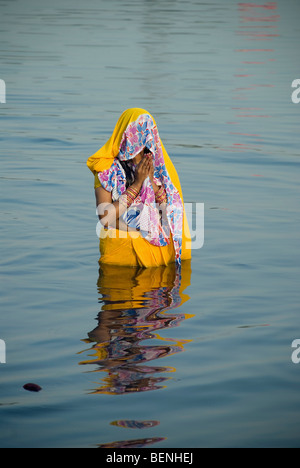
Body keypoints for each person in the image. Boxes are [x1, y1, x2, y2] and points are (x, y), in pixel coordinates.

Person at [87, 108, 191, 268]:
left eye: (147, 132)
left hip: (157, 254)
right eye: (138, 131)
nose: (142, 138)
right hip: (121, 256)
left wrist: (152, 185)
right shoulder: (106, 168)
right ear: (125, 133)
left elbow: (170, 213)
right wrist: (137, 184)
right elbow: (105, 218)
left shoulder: (158, 166)